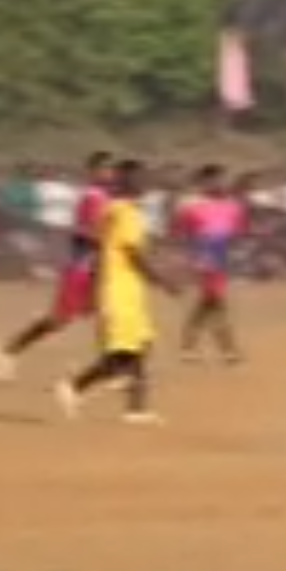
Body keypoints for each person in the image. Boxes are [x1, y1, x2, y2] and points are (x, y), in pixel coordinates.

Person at [54, 160, 178, 424]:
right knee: (122, 353)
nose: (145, 182)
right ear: (125, 182)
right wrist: (162, 280)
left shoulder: (114, 209)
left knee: (141, 346)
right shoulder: (126, 212)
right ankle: (74, 386)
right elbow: (133, 253)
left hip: (125, 288)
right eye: (139, 178)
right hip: (120, 290)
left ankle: (136, 409)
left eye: (145, 177)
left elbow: (103, 248)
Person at [0, 151, 113, 380]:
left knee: (107, 316)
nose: (109, 172)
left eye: (110, 168)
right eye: (104, 168)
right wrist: (101, 247)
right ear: (93, 171)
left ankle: (110, 367)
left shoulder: (102, 197)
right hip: (82, 268)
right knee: (58, 321)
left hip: (93, 266)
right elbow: (85, 232)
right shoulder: (92, 196)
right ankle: (10, 350)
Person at [175, 165, 247, 364]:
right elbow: (182, 234)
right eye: (216, 180)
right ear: (204, 182)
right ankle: (228, 349)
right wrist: (187, 258)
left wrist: (237, 254)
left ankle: (188, 345)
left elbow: (237, 234)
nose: (221, 184)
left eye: (223, 179)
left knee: (207, 303)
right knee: (217, 301)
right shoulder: (192, 206)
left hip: (222, 259)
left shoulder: (234, 206)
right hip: (204, 260)